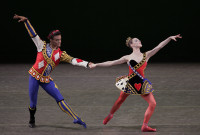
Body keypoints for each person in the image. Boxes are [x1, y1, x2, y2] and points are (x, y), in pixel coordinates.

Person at [90, 34, 182, 132]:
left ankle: (145, 126)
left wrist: (169, 38)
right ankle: (110, 115)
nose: (139, 41)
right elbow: (111, 62)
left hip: (141, 84)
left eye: (139, 40)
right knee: (120, 100)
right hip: (130, 83)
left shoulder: (146, 55)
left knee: (153, 103)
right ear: (132, 45)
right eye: (137, 40)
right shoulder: (127, 57)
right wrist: (96, 64)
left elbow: (159, 46)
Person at [13, 14, 91, 128]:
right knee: (33, 103)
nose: (59, 42)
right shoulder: (41, 46)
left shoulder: (60, 54)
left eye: (60, 39)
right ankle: (32, 118)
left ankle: (76, 118)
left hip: (46, 79)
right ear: (51, 39)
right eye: (57, 40)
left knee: (59, 98)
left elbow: (73, 60)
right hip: (34, 76)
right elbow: (33, 35)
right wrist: (27, 22)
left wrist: (87, 64)